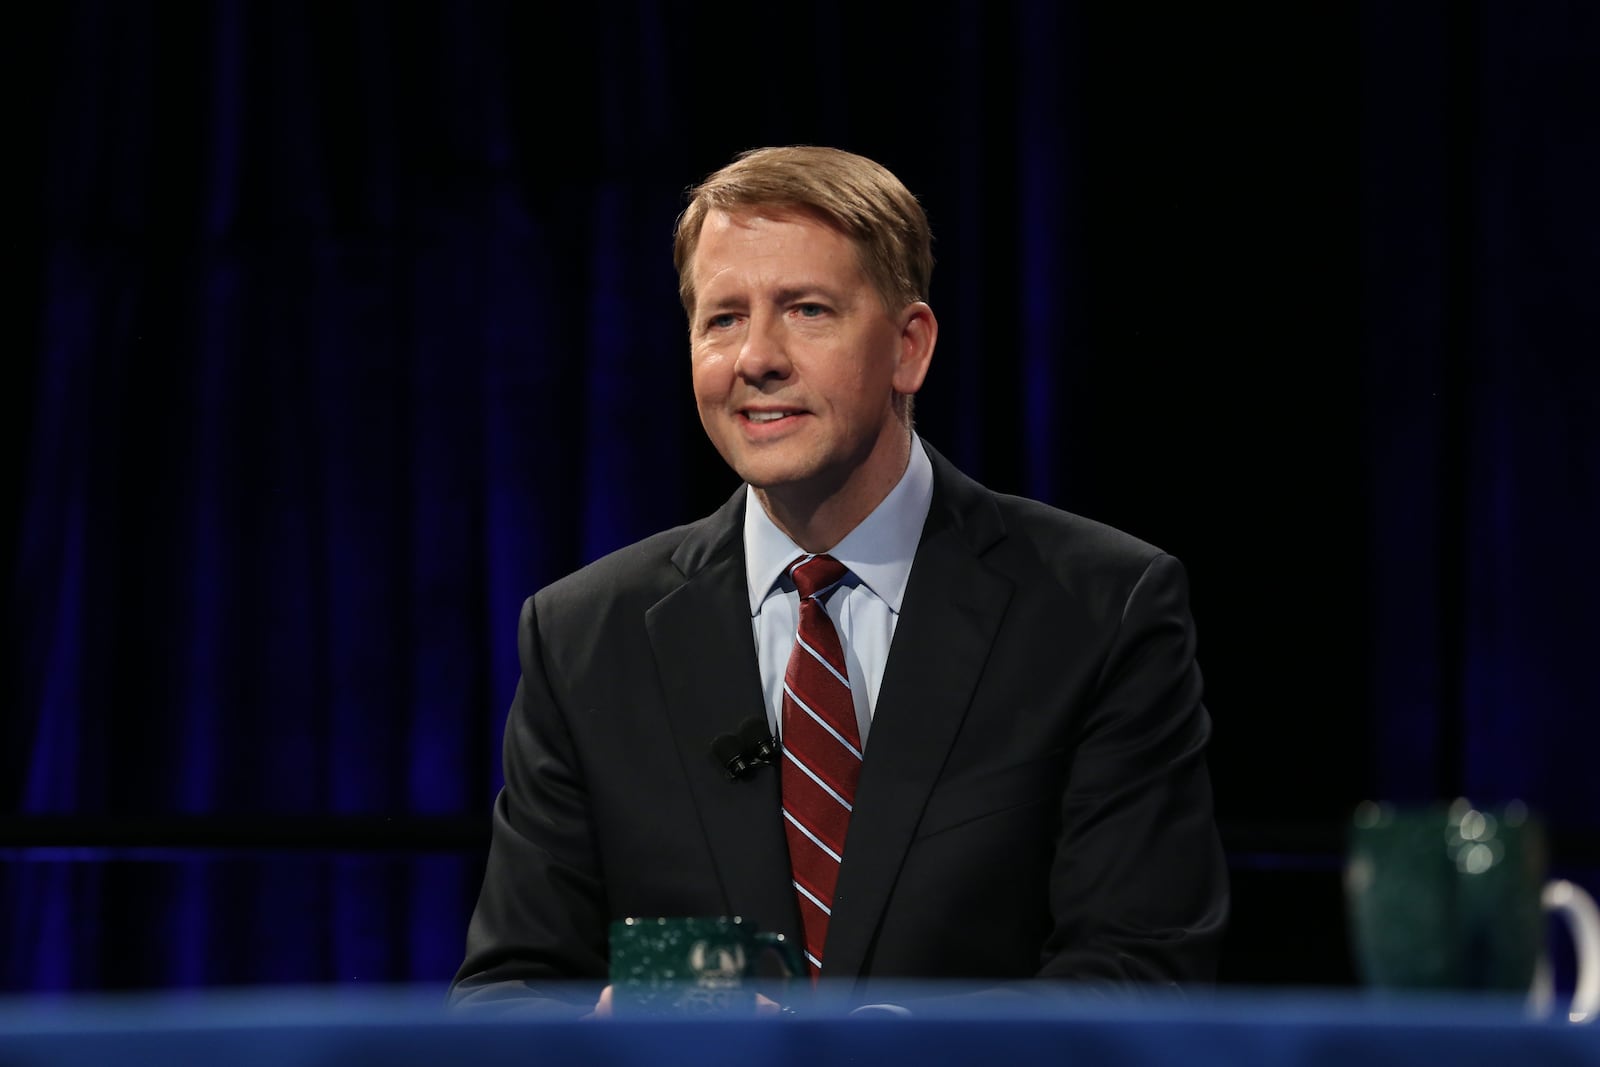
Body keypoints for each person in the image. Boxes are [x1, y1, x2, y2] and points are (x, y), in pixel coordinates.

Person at [450, 146, 1227, 1014]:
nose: (756, 358)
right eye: (722, 319)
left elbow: (1141, 973)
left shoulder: (1100, 608)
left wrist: (870, 1051)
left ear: (909, 348)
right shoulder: (585, 636)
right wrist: (605, 1028)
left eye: (806, 311)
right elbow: (506, 991)